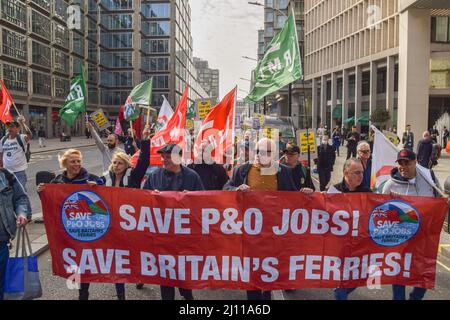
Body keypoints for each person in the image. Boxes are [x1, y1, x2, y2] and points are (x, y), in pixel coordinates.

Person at [224, 138, 310, 300]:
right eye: (257, 151)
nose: (259, 155)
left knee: (270, 269)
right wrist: (236, 189)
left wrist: (304, 194)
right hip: (250, 232)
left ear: (273, 155)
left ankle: (267, 293)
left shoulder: (284, 171)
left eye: (264, 152)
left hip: (274, 232)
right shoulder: (241, 170)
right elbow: (225, 189)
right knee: (252, 271)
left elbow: (293, 196)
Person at [380, 148, 447, 300]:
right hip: (401, 240)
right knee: (399, 275)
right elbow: (381, 212)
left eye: (406, 162)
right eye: (400, 163)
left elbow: (439, 200)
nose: (403, 166)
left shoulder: (429, 178)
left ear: (415, 162)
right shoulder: (390, 186)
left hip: (424, 237)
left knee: (423, 277)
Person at [37, 149, 104, 300]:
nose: (76, 164)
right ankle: (78, 284)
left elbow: (105, 192)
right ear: (65, 163)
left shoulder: (90, 178)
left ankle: (83, 293)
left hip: (86, 229)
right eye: (73, 161)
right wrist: (41, 192)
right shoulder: (58, 181)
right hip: (67, 230)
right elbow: (49, 202)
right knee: (73, 261)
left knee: (84, 262)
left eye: (78, 161)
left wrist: (98, 186)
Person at [143, 143, 204, 300]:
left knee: (183, 276)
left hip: (185, 236)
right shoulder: (155, 175)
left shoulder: (192, 176)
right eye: (163, 157)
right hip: (163, 235)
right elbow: (142, 198)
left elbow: (205, 202)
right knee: (165, 277)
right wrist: (151, 196)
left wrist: (192, 198)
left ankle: (187, 295)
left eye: (168, 157)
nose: (163, 160)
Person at [328, 158, 371, 300]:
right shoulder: (334, 191)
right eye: (356, 173)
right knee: (340, 287)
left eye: (362, 173)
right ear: (346, 173)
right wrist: (311, 195)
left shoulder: (367, 192)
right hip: (339, 249)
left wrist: (392, 197)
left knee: (359, 278)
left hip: (359, 247)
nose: (361, 176)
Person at [0, 168, 31, 300]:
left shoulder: (6, 176)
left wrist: (22, 213)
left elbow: (20, 198)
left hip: (2, 238)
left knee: (2, 281)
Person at [0, 116, 32, 191]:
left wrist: (22, 123)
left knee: (20, 193)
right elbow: (1, 153)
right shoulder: (3, 140)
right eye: (8, 126)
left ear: (18, 129)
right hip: (6, 172)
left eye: (12, 126)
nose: (9, 128)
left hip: (19, 172)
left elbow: (29, 135)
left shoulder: (21, 138)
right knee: (8, 194)